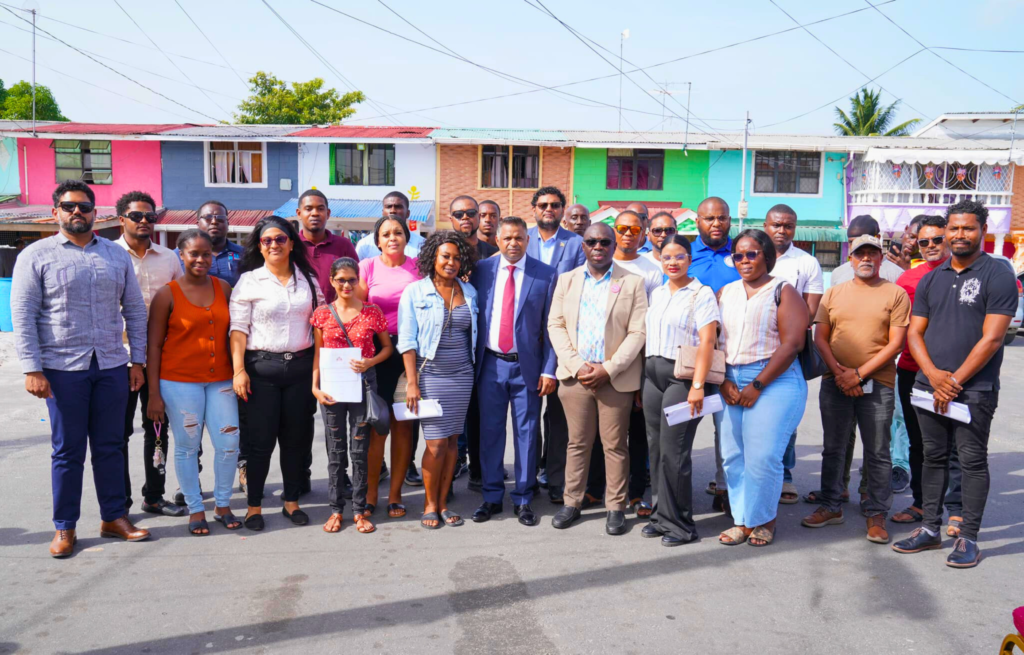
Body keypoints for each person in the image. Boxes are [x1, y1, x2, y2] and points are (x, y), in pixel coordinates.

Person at [12, 180, 151, 558]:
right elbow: (23, 315)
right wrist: (32, 368)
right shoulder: (36, 255)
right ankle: (65, 527)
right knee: (68, 451)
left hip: (110, 364)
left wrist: (137, 361)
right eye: (69, 206)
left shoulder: (115, 255)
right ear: (55, 211)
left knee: (111, 446)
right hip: (61, 368)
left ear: (95, 212)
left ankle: (114, 518)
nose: (77, 212)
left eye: (85, 207)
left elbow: (134, 310)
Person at [893, 200, 1017, 568]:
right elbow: (915, 333)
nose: (960, 234)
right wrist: (933, 375)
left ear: (982, 231)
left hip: (974, 389)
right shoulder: (931, 278)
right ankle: (930, 528)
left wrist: (954, 381)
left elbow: (992, 338)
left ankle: (969, 537)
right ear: (947, 231)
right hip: (928, 385)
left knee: (971, 461)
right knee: (932, 457)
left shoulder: (997, 275)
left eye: (968, 228)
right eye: (955, 228)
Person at [801, 234, 910, 544]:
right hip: (835, 381)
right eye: (859, 253)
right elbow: (820, 338)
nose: (866, 259)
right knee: (833, 447)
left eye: (872, 253)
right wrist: (840, 373)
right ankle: (831, 505)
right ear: (850, 259)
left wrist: (859, 375)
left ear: (881, 259)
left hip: (879, 383)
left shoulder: (896, 294)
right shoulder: (834, 293)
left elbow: (896, 343)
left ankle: (876, 512)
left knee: (878, 451)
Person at [548, 223, 647, 535]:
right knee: (577, 443)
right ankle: (572, 501)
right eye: (592, 242)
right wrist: (578, 366)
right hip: (575, 377)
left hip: (614, 379)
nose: (598, 247)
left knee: (615, 445)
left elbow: (638, 332)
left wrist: (609, 369)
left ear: (614, 245)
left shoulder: (632, 282)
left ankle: (615, 506)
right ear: (583, 246)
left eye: (605, 242)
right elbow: (555, 325)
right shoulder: (567, 280)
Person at [229, 216, 324, 531]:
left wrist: (319, 372)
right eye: (267, 240)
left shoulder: (308, 280)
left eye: (280, 239)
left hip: (300, 369)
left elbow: (321, 326)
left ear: (292, 243)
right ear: (259, 246)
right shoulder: (249, 281)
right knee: (260, 442)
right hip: (261, 370)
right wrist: (239, 370)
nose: (274, 245)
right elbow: (238, 329)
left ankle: (291, 502)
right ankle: (254, 507)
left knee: (296, 441)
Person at [715, 229, 807, 547]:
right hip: (730, 378)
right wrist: (723, 379)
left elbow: (793, 344)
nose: (744, 260)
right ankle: (742, 520)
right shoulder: (725, 292)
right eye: (738, 255)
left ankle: (765, 520)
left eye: (751, 254)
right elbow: (713, 339)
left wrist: (758, 383)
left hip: (774, 379)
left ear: (766, 256)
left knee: (763, 456)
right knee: (733, 456)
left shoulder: (783, 290)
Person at [145, 229, 240, 535]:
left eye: (206, 254)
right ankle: (195, 507)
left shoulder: (223, 287)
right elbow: (153, 347)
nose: (201, 259)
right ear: (181, 256)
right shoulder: (167, 294)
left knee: (229, 444)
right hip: (179, 382)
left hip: (221, 380)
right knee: (187, 446)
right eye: (194, 254)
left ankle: (222, 504)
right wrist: (154, 394)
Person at [469, 217, 558, 526]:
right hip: (490, 365)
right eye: (507, 238)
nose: (513, 243)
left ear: (527, 240)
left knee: (527, 432)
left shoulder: (545, 274)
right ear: (497, 240)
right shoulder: (481, 271)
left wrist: (549, 370)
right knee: (490, 432)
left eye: (519, 238)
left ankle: (523, 497)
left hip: (527, 367)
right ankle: (492, 496)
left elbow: (551, 327)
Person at [397, 231, 479, 529]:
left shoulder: (469, 291)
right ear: (433, 257)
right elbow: (407, 340)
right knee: (435, 444)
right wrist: (412, 383)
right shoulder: (415, 291)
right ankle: (429, 504)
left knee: (453, 441)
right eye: (445, 256)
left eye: (457, 258)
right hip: (430, 375)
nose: (451, 262)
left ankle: (443, 503)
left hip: (463, 375)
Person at [642, 235, 720, 546]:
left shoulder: (701, 293)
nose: (672, 262)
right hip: (652, 376)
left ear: (690, 259)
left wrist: (698, 386)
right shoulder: (658, 292)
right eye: (666, 257)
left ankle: (681, 525)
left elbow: (708, 342)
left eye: (679, 257)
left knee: (675, 452)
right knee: (656, 449)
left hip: (683, 379)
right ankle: (661, 516)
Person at [114, 190, 185, 518]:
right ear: (121, 219)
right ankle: (119, 505)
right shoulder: (109, 255)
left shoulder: (169, 258)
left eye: (150, 216)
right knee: (118, 434)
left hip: (160, 358)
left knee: (157, 428)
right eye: (136, 216)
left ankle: (154, 497)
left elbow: (181, 301)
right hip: (118, 359)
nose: (144, 221)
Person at [311, 257, 393, 535]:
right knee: (335, 452)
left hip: (362, 387)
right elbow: (318, 355)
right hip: (332, 390)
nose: (346, 285)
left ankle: (359, 509)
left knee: (359, 451)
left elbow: (387, 348)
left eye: (351, 280)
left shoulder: (372, 311)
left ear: (359, 281)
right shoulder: (322, 314)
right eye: (341, 280)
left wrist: (370, 362)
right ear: (332, 281)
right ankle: (336, 509)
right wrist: (315, 387)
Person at [892, 215, 963, 527]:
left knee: (958, 445)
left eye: (937, 239)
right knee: (920, 442)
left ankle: (958, 509)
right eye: (924, 241)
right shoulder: (907, 279)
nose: (931, 245)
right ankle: (921, 504)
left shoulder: (965, 274)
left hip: (957, 373)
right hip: (913, 372)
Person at [357, 214, 422, 518]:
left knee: (403, 427)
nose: (392, 238)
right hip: (378, 354)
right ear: (377, 241)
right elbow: (356, 308)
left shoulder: (419, 267)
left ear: (407, 238)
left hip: (410, 354)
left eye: (398, 232)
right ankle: (372, 493)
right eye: (386, 234)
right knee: (378, 427)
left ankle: (395, 494)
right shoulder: (367, 267)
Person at [526, 186, 587, 504]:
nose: (548, 209)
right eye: (543, 205)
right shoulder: (522, 238)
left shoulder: (576, 244)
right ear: (534, 209)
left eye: (554, 205)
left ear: (563, 210)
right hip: (526, 337)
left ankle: (554, 477)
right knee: (527, 414)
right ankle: (528, 474)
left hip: (562, 335)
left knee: (557, 416)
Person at [762, 204, 824, 504]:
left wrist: (786, 333)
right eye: (776, 224)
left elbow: (810, 310)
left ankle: (785, 475)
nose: (781, 230)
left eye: (788, 225)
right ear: (765, 226)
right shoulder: (752, 254)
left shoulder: (807, 262)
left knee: (786, 413)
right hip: (752, 347)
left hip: (790, 349)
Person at [688, 197, 741, 511]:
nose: (716, 224)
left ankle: (725, 489)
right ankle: (674, 494)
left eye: (722, 218)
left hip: (730, 355)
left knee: (727, 430)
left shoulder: (742, 252)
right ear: (698, 221)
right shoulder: (684, 254)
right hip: (689, 356)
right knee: (682, 428)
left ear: (730, 220)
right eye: (709, 218)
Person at [296, 189, 358, 303]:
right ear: (299, 213)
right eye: (308, 209)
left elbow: (357, 281)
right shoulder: (291, 245)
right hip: (298, 312)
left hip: (336, 313)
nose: (315, 213)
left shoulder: (344, 245)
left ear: (328, 213)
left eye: (320, 209)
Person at [177, 200, 244, 286]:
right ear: (198, 224)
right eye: (208, 217)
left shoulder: (244, 254)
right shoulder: (176, 256)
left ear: (227, 224)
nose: (214, 222)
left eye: (220, 218)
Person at [830, 216, 905, 285]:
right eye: (851, 242)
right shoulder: (838, 274)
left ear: (877, 238)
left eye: (862, 241)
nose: (855, 245)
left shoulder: (896, 274)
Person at [355, 191, 425, 259]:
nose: (392, 211)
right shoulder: (365, 244)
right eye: (388, 207)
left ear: (408, 213)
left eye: (398, 207)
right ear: (383, 212)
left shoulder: (422, 245)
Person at [612, 210, 664, 298]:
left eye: (635, 230)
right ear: (614, 232)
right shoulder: (600, 266)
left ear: (642, 234)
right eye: (622, 229)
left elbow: (655, 305)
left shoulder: (652, 270)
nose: (628, 233)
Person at [449, 195, 498, 260]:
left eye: (471, 213)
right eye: (458, 214)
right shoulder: (441, 250)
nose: (465, 217)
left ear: (479, 217)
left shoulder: (494, 255)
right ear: (451, 220)